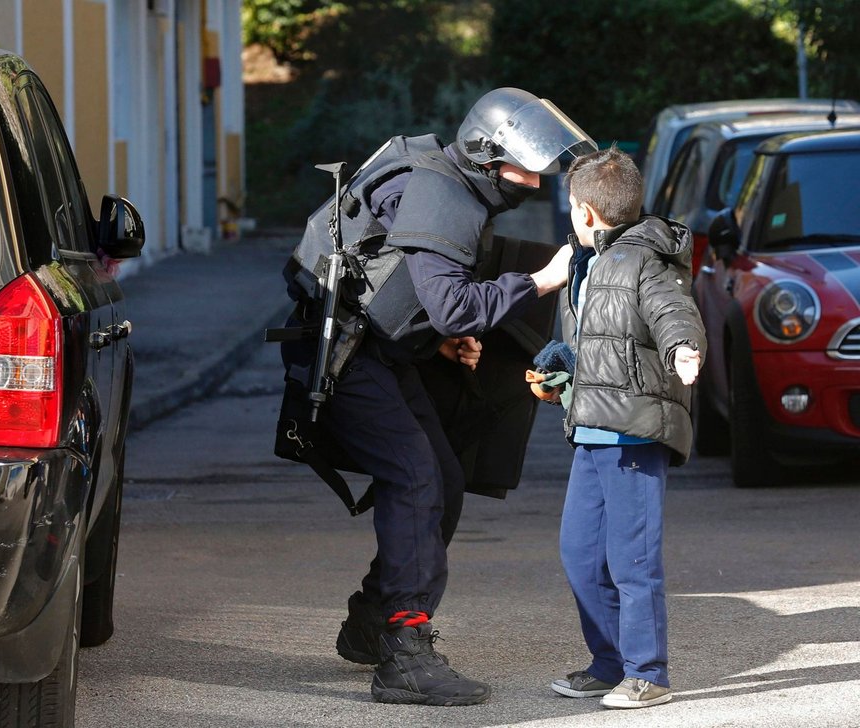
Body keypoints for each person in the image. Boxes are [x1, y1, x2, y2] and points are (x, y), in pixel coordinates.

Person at [279, 88, 596, 706]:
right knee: (418, 479)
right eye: (523, 168)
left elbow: (401, 280)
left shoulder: (438, 173)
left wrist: (441, 343)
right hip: (350, 356)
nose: (533, 181)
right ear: (485, 155)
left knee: (442, 479)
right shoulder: (444, 194)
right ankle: (405, 652)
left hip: (375, 345)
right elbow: (451, 305)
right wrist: (542, 279)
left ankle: (373, 622)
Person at [535, 145, 705, 709]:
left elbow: (671, 309)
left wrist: (684, 347)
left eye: (570, 210)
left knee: (632, 559)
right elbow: (599, 336)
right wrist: (559, 360)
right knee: (580, 553)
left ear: (585, 213)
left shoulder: (643, 259)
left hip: (632, 430)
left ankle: (647, 673)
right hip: (591, 428)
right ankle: (609, 664)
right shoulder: (587, 262)